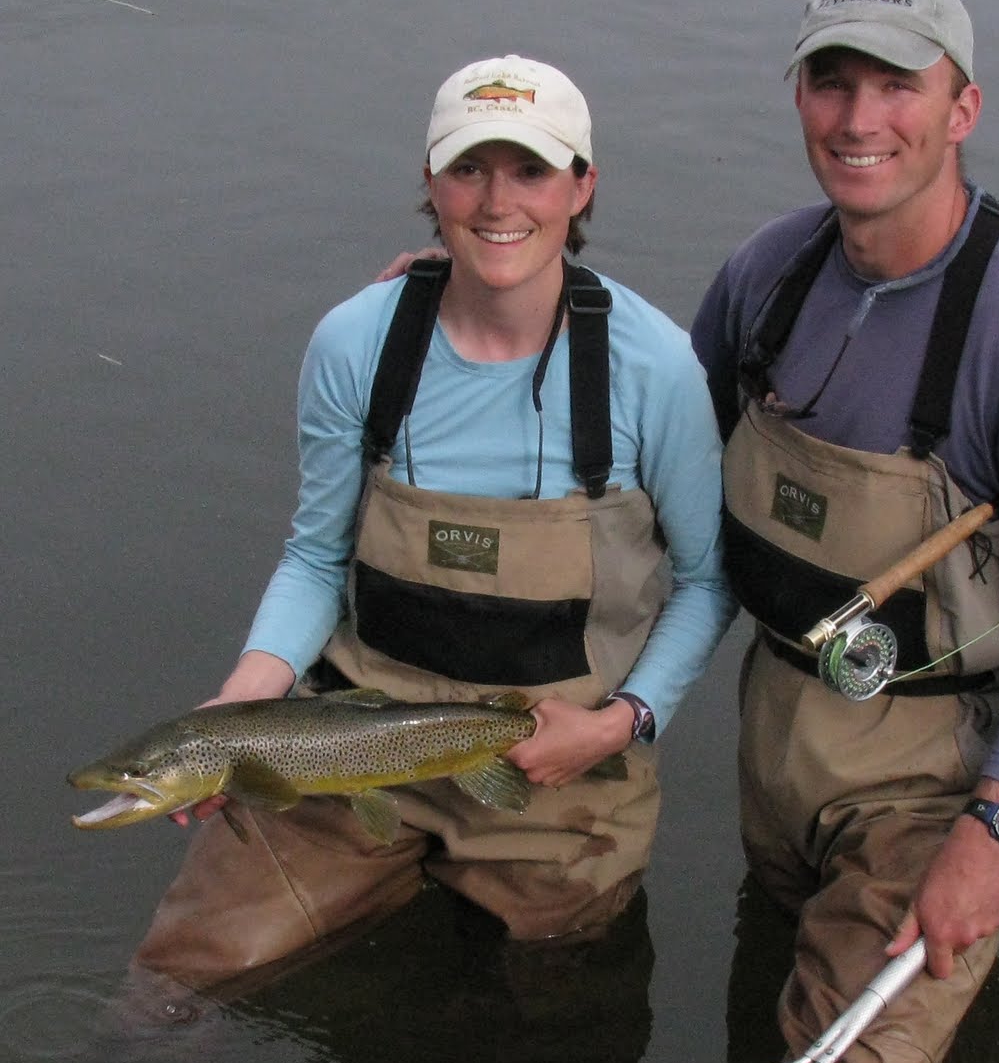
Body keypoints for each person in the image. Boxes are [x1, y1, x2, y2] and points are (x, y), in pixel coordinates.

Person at [133, 54, 736, 998]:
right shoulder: (356, 342)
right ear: (430, 183)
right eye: (469, 169)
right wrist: (239, 712)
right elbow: (316, 553)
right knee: (178, 986)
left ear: (582, 186)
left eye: (531, 170)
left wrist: (622, 723)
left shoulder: (654, 367)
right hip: (344, 742)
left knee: (544, 1016)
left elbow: (706, 582)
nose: (499, 202)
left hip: (556, 765)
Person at [691, 0, 999, 1063]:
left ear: (964, 107)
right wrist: (500, 287)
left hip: (935, 773)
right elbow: (662, 448)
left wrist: (988, 834)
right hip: (779, 722)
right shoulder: (766, 275)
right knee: (765, 1003)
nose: (857, 119)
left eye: (897, 84)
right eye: (829, 82)